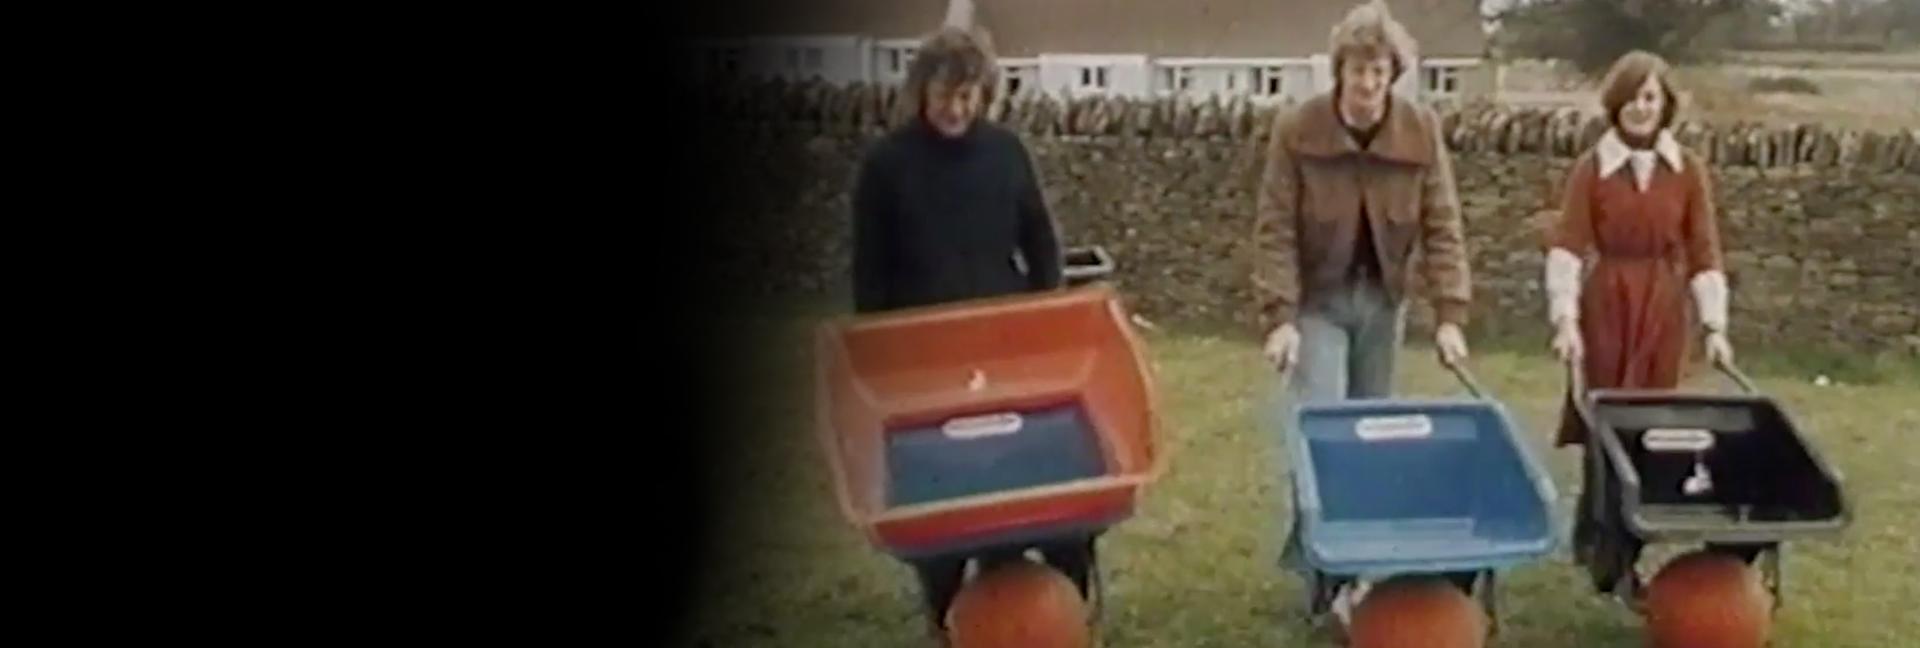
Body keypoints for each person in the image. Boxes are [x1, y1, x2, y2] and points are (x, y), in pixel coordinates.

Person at [847, 25, 1089, 639]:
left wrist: (1047, 320)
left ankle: (1062, 606)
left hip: (1005, 349)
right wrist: (882, 359)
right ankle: (947, 616)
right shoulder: (886, 165)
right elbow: (870, 274)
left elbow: (1041, 244)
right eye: (943, 95)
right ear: (921, 91)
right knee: (942, 502)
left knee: (1036, 485)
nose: (955, 108)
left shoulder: (1006, 152)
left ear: (983, 95)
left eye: (967, 96)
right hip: (923, 362)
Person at [1250, 0, 1474, 632]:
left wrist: (1450, 313)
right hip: (1319, 303)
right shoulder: (1299, 130)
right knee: (1325, 437)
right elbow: (1274, 227)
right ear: (1340, 72)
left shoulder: (1419, 131)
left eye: (1379, 72)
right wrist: (1280, 316)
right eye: (1358, 70)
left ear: (1392, 75)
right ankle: (1326, 576)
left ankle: (1357, 567)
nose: (1368, 84)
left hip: (1382, 302)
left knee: (1371, 438)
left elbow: (1443, 224)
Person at [1543, 50, 1745, 590]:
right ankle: (1600, 545)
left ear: (1665, 105)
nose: (1641, 108)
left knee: (1654, 427)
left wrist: (1715, 327)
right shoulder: (1592, 168)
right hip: (1606, 304)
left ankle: (1629, 542)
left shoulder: (1687, 170)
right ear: (1616, 103)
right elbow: (1567, 247)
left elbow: (1704, 251)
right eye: (1631, 98)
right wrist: (1566, 320)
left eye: (1650, 98)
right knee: (1604, 423)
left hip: (1662, 308)